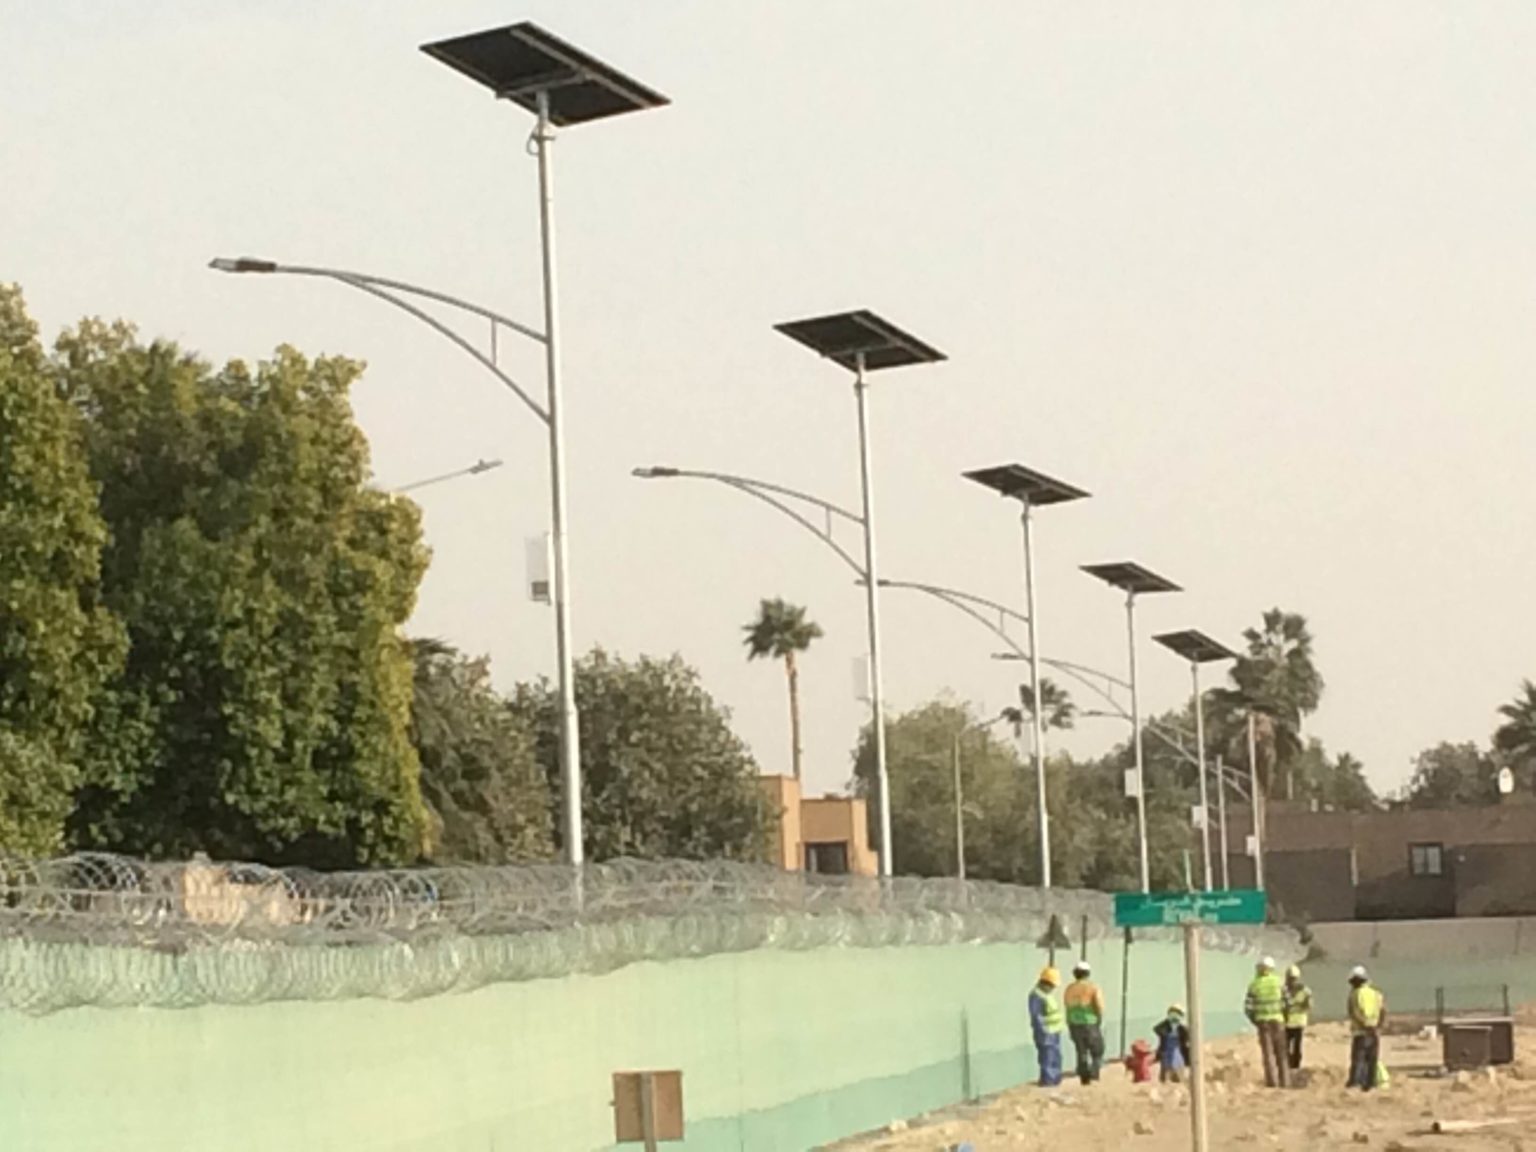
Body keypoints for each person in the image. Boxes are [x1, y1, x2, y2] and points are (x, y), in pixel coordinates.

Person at [1245, 955, 1289, 1088]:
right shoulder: (1279, 982)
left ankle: (1272, 1082)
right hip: (1278, 1020)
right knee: (1281, 1053)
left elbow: (1248, 1008)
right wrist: (1284, 1017)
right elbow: (1287, 1002)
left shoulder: (1254, 984)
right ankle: (1285, 1081)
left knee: (1268, 1053)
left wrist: (1256, 1020)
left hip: (1262, 1022)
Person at [1063, 960, 1107, 1085]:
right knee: (1097, 1049)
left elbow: (1067, 1005)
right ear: (1088, 973)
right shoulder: (1092, 987)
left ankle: (1084, 1076)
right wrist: (1099, 1019)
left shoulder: (1069, 988)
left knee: (1081, 1050)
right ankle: (1094, 1073)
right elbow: (1099, 1005)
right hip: (1089, 1022)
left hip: (1073, 1023)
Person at [1346, 966, 1387, 1092]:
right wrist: (1378, 1027)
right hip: (1374, 1032)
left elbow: (1354, 1012)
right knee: (1372, 1060)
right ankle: (1371, 1084)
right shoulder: (1376, 994)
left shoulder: (1354, 994)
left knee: (1359, 1059)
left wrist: (1365, 1026)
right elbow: (1383, 1010)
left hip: (1361, 1032)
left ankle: (1356, 1083)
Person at [1029, 966, 1065, 1088]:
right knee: (1048, 1057)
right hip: (1046, 1033)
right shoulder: (1037, 996)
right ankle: (1048, 1081)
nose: (1053, 988)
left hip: (1054, 1031)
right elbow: (1036, 1017)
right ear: (1045, 983)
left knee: (1055, 1056)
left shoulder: (1046, 994)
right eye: (1052, 985)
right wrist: (1042, 1032)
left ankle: (1055, 1079)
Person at [1283, 965, 1313, 1072]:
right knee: (1294, 1046)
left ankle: (1291, 1066)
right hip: (1297, 1022)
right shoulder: (1305, 991)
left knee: (1289, 1046)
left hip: (1290, 1022)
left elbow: (1282, 1006)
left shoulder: (1284, 990)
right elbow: (1309, 1006)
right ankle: (1294, 1066)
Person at [1153, 1003, 1191, 1083]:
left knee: (1180, 1078)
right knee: (1166, 1078)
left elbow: (1187, 1039)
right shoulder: (1164, 1027)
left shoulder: (1182, 1029)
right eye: (1173, 1011)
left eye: (1178, 1012)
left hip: (1178, 1056)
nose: (1175, 1015)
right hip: (1167, 1056)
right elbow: (1157, 1030)